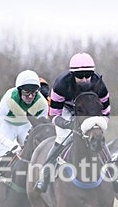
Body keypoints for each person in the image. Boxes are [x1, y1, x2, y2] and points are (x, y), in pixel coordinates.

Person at [34, 52, 111, 193]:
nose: (84, 79)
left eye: (88, 75)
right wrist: (68, 125)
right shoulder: (60, 85)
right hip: (66, 110)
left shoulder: (100, 85)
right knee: (62, 137)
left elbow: (106, 112)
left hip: (88, 110)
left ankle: (113, 171)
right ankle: (45, 175)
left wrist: (100, 124)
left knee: (98, 137)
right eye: (80, 76)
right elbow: (54, 115)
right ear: (72, 75)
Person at [0, 70, 49, 204]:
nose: (31, 96)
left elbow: (40, 127)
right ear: (19, 90)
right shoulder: (8, 99)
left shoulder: (42, 104)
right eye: (27, 92)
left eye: (34, 92)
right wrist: (11, 145)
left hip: (27, 126)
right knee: (1, 153)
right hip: (8, 126)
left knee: (35, 153)